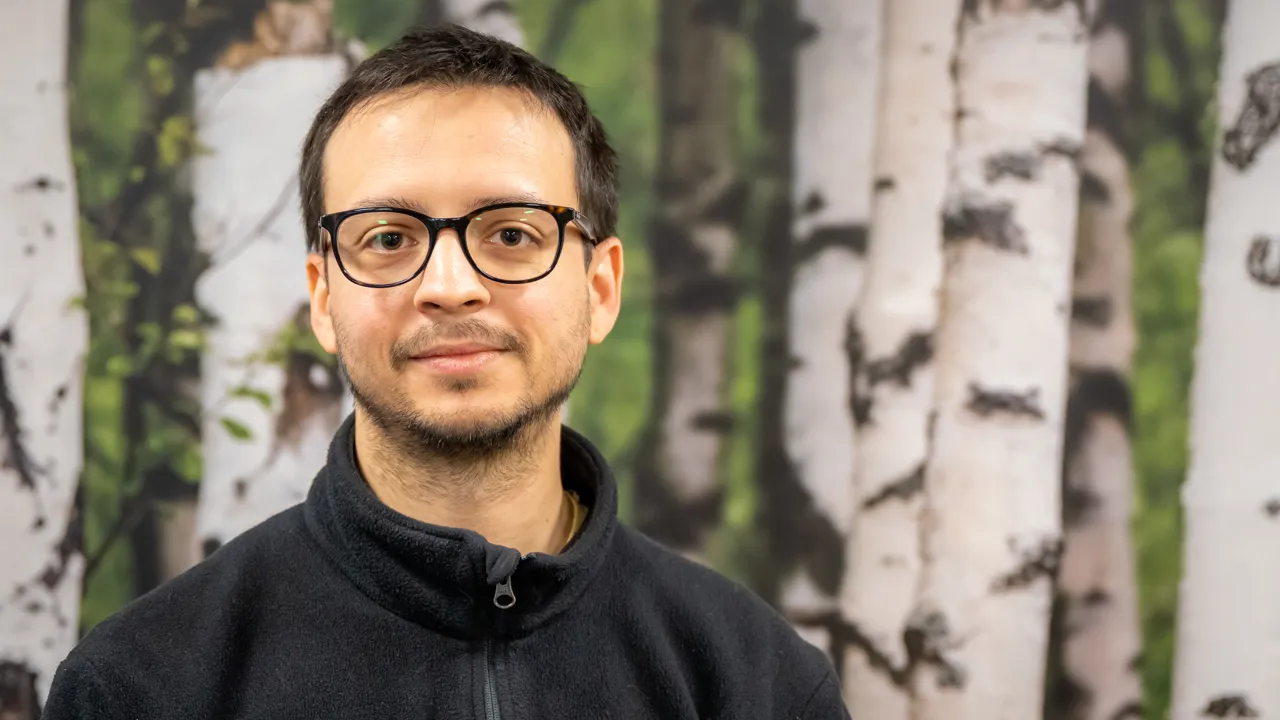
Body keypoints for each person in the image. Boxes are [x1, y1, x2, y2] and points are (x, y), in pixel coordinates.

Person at [43, 24, 847, 720]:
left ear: (600, 290)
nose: (450, 285)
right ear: (323, 297)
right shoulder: (143, 686)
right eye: (388, 238)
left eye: (512, 233)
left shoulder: (758, 683)